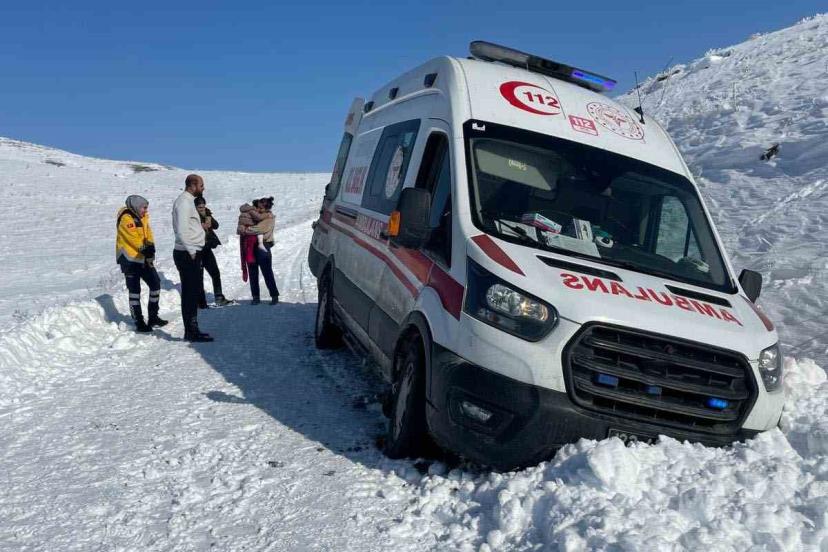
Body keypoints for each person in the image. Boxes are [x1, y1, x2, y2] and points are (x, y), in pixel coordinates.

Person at [115, 195, 168, 332]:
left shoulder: (143, 217)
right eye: (144, 208)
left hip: (142, 258)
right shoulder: (126, 218)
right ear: (137, 207)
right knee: (134, 291)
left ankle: (153, 317)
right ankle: (139, 321)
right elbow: (132, 238)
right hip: (129, 260)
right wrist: (145, 249)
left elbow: (148, 233)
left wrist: (151, 246)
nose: (146, 210)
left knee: (155, 284)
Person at [172, 174, 213, 342]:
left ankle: (193, 329)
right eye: (201, 185)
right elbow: (182, 231)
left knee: (193, 292)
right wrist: (191, 251)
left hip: (192, 252)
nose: (203, 188)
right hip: (187, 253)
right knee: (189, 293)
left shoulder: (189, 201)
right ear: (193, 185)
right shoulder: (183, 202)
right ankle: (190, 331)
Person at [238, 196, 279, 305]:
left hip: (263, 245)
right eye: (258, 208)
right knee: (252, 272)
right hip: (252, 245)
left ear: (267, 209)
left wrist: (245, 229)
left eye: (261, 208)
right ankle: (255, 296)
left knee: (267, 272)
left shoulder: (269, 218)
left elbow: (258, 229)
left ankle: (274, 295)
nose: (258, 210)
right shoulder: (258, 217)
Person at [194, 196, 232, 308]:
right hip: (197, 249)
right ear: (195, 207)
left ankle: (219, 297)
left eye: (203, 206)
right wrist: (200, 226)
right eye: (199, 207)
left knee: (215, 273)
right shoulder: (192, 216)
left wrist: (210, 219)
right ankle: (201, 302)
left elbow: (216, 226)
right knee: (199, 276)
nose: (202, 209)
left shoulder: (207, 213)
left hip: (207, 248)